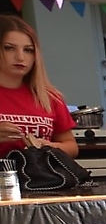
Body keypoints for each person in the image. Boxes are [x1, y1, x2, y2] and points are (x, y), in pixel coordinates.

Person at [0, 15, 77, 157]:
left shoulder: (49, 97)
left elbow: (71, 146)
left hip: (40, 170)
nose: (20, 57)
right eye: (9, 48)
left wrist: (49, 147)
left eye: (28, 50)